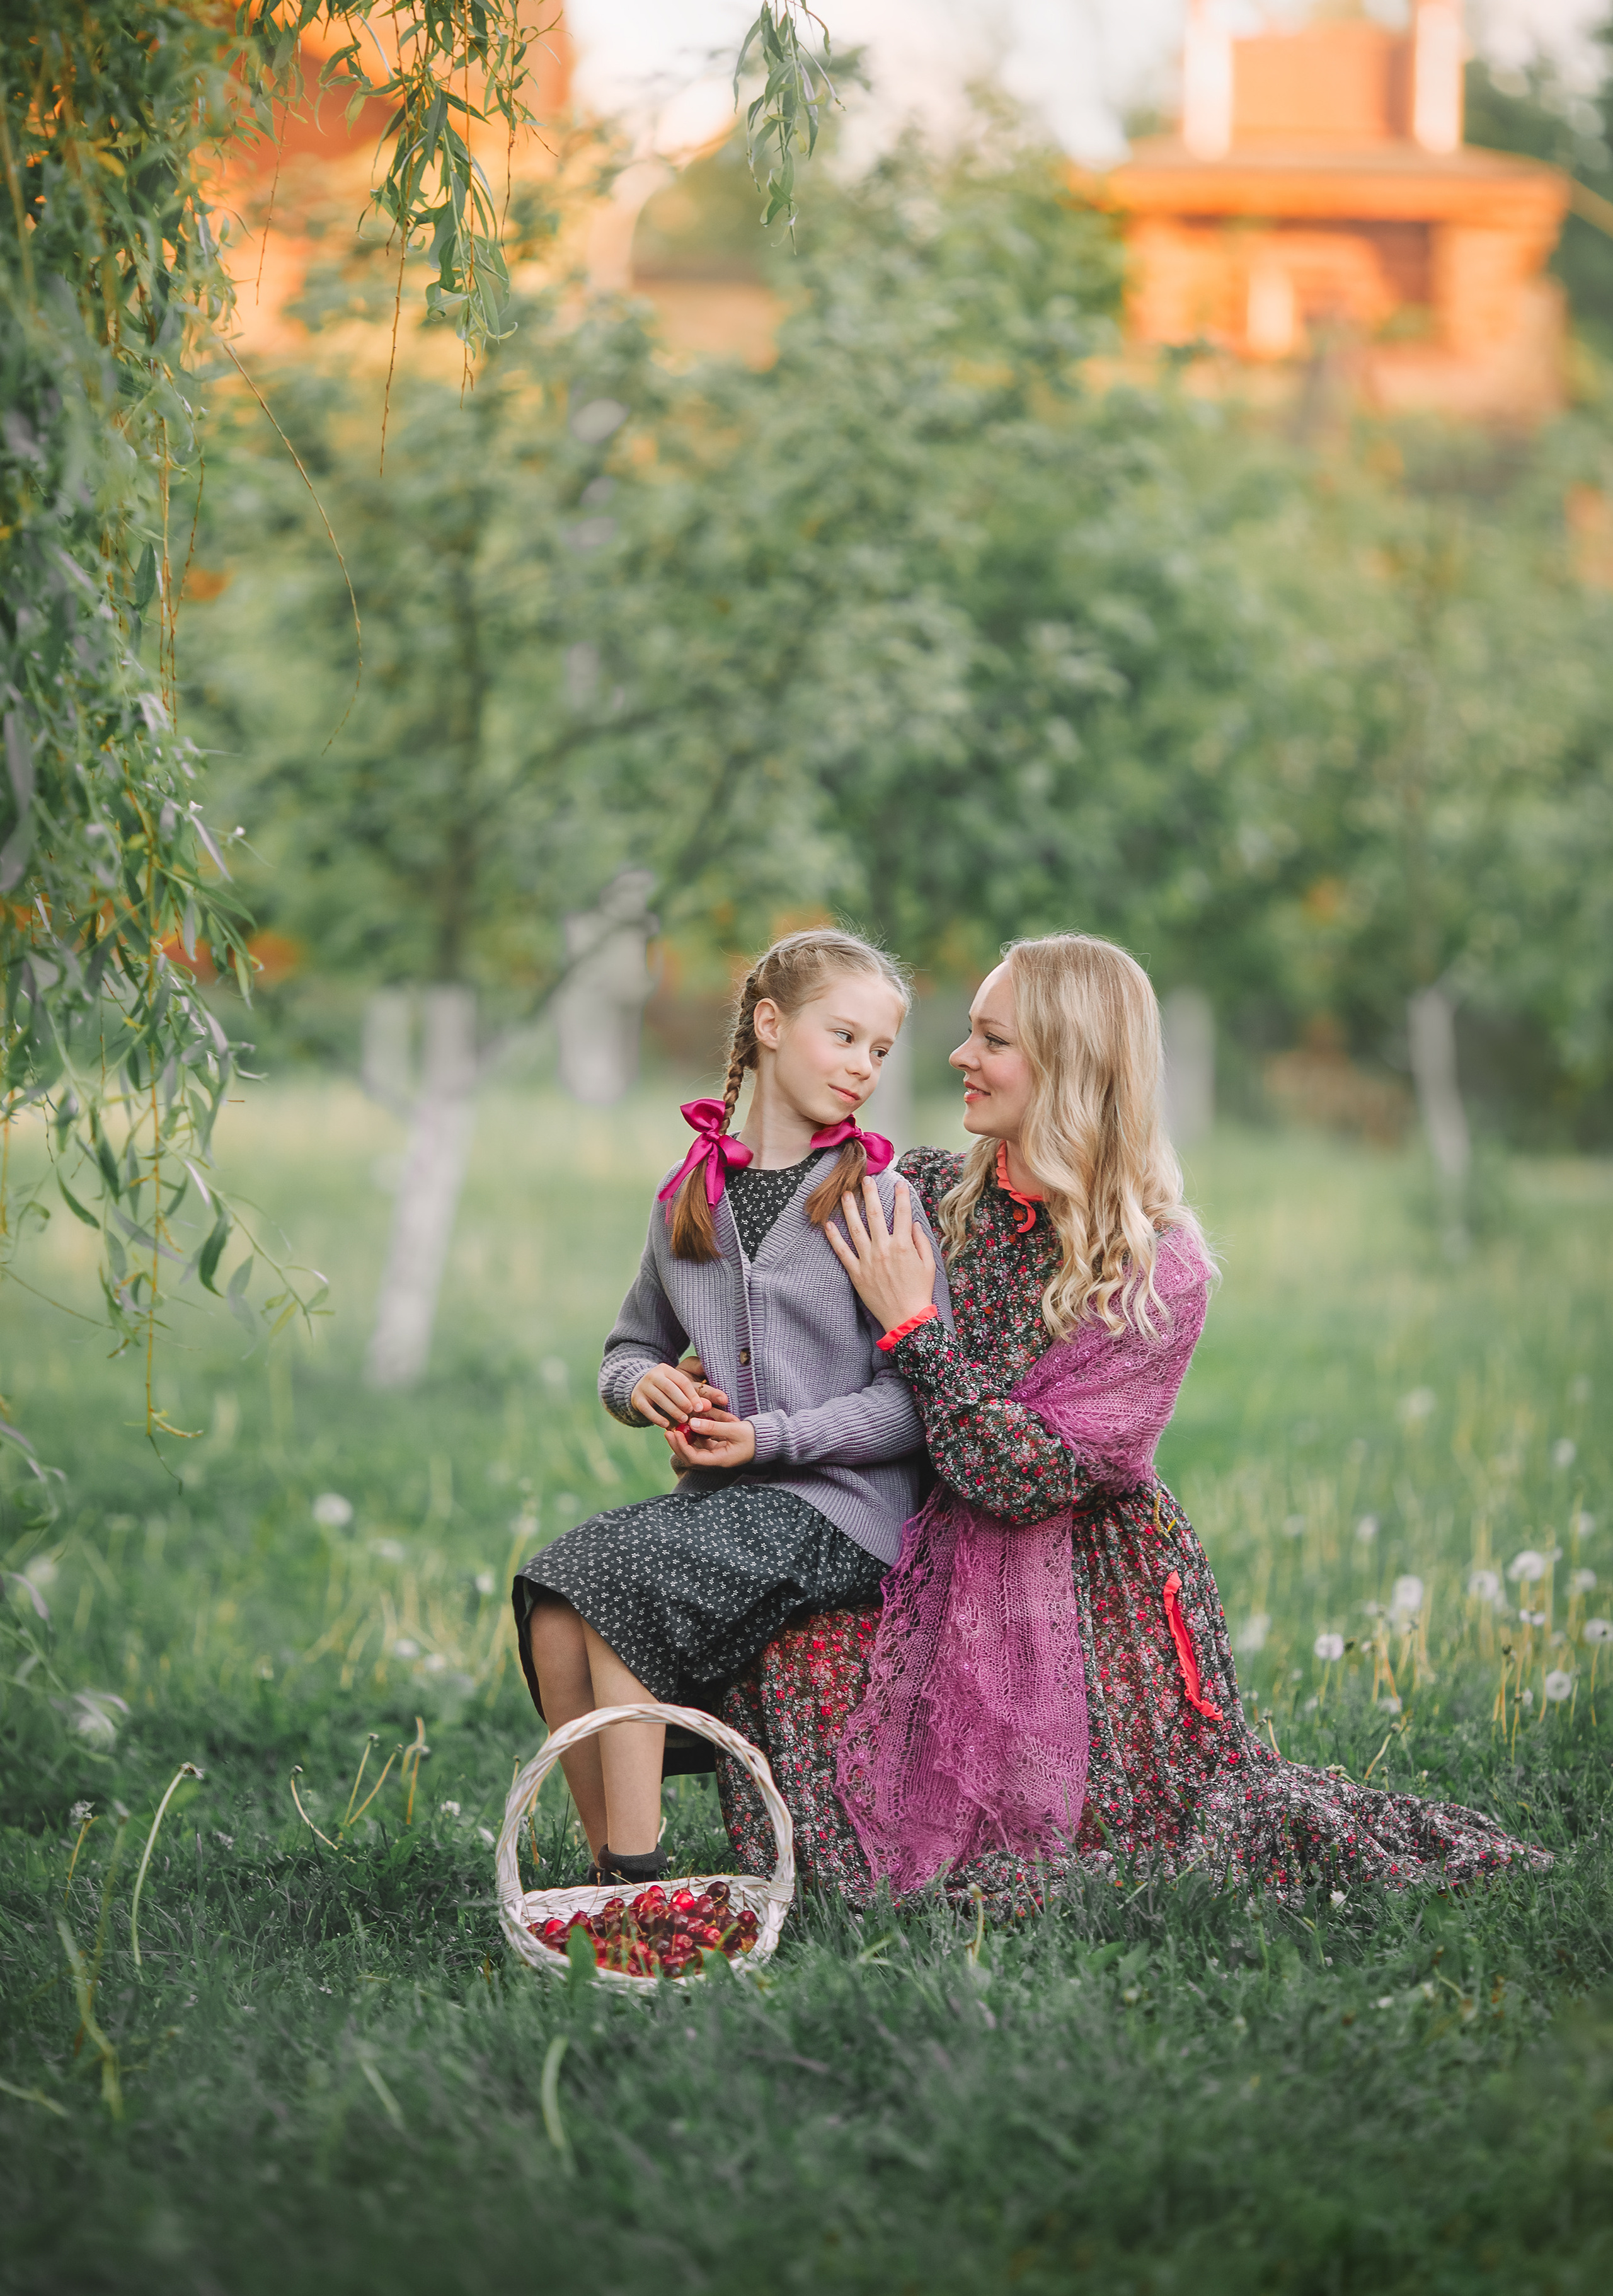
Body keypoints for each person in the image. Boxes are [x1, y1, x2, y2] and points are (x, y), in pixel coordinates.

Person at [716, 933, 1548, 1907]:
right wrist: (707, 1355)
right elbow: (777, 1285)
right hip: (912, 1545)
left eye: (992, 1040)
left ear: (1071, 1065)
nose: (959, 1057)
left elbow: (1015, 1479)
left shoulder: (1155, 1271)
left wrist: (915, 1327)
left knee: (1070, 1845)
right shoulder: (935, 1194)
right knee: (781, 1659)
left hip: (1081, 1603)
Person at [513, 927, 950, 1886]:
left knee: (623, 1577)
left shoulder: (878, 1201)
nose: (864, 1068)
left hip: (848, 1514)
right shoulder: (690, 1198)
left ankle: (638, 1878)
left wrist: (765, 1438)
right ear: (769, 1024)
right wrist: (643, 1387)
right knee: (552, 1597)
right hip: (732, 1510)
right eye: (844, 1038)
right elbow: (627, 1349)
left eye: (880, 1051)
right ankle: (608, 1878)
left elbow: (916, 1405)